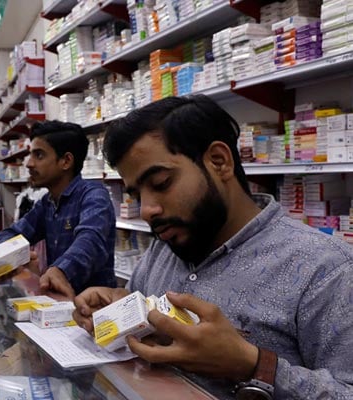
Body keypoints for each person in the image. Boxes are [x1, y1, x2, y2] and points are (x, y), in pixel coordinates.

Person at [72, 95, 353, 399]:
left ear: (219, 161)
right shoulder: (165, 246)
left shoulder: (326, 269)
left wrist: (252, 365)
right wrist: (122, 310)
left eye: (162, 183)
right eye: (137, 194)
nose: (147, 210)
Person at [0, 121, 117, 298]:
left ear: (66, 161)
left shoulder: (94, 196)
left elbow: (90, 240)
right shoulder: (47, 203)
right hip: (59, 304)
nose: (29, 164)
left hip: (96, 309)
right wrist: (16, 252)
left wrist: (60, 270)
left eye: (39, 155)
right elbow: (13, 233)